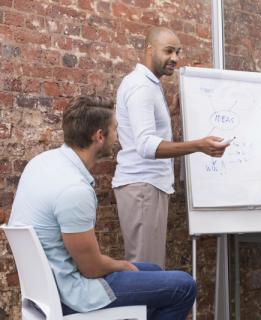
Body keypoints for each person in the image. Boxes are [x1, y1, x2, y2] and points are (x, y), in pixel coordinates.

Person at [8, 96, 196, 320]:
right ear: (99, 136)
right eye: (115, 129)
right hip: (70, 294)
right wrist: (122, 265)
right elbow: (91, 268)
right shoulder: (73, 190)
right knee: (184, 286)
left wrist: (123, 266)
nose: (117, 136)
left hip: (48, 287)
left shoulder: (42, 162)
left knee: (154, 271)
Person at [113, 27, 228, 268]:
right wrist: (198, 146)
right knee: (145, 270)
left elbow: (143, 130)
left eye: (178, 52)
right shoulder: (141, 87)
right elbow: (145, 145)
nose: (175, 58)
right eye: (168, 51)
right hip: (143, 187)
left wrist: (169, 112)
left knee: (149, 268)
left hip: (146, 186)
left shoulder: (149, 85)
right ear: (149, 50)